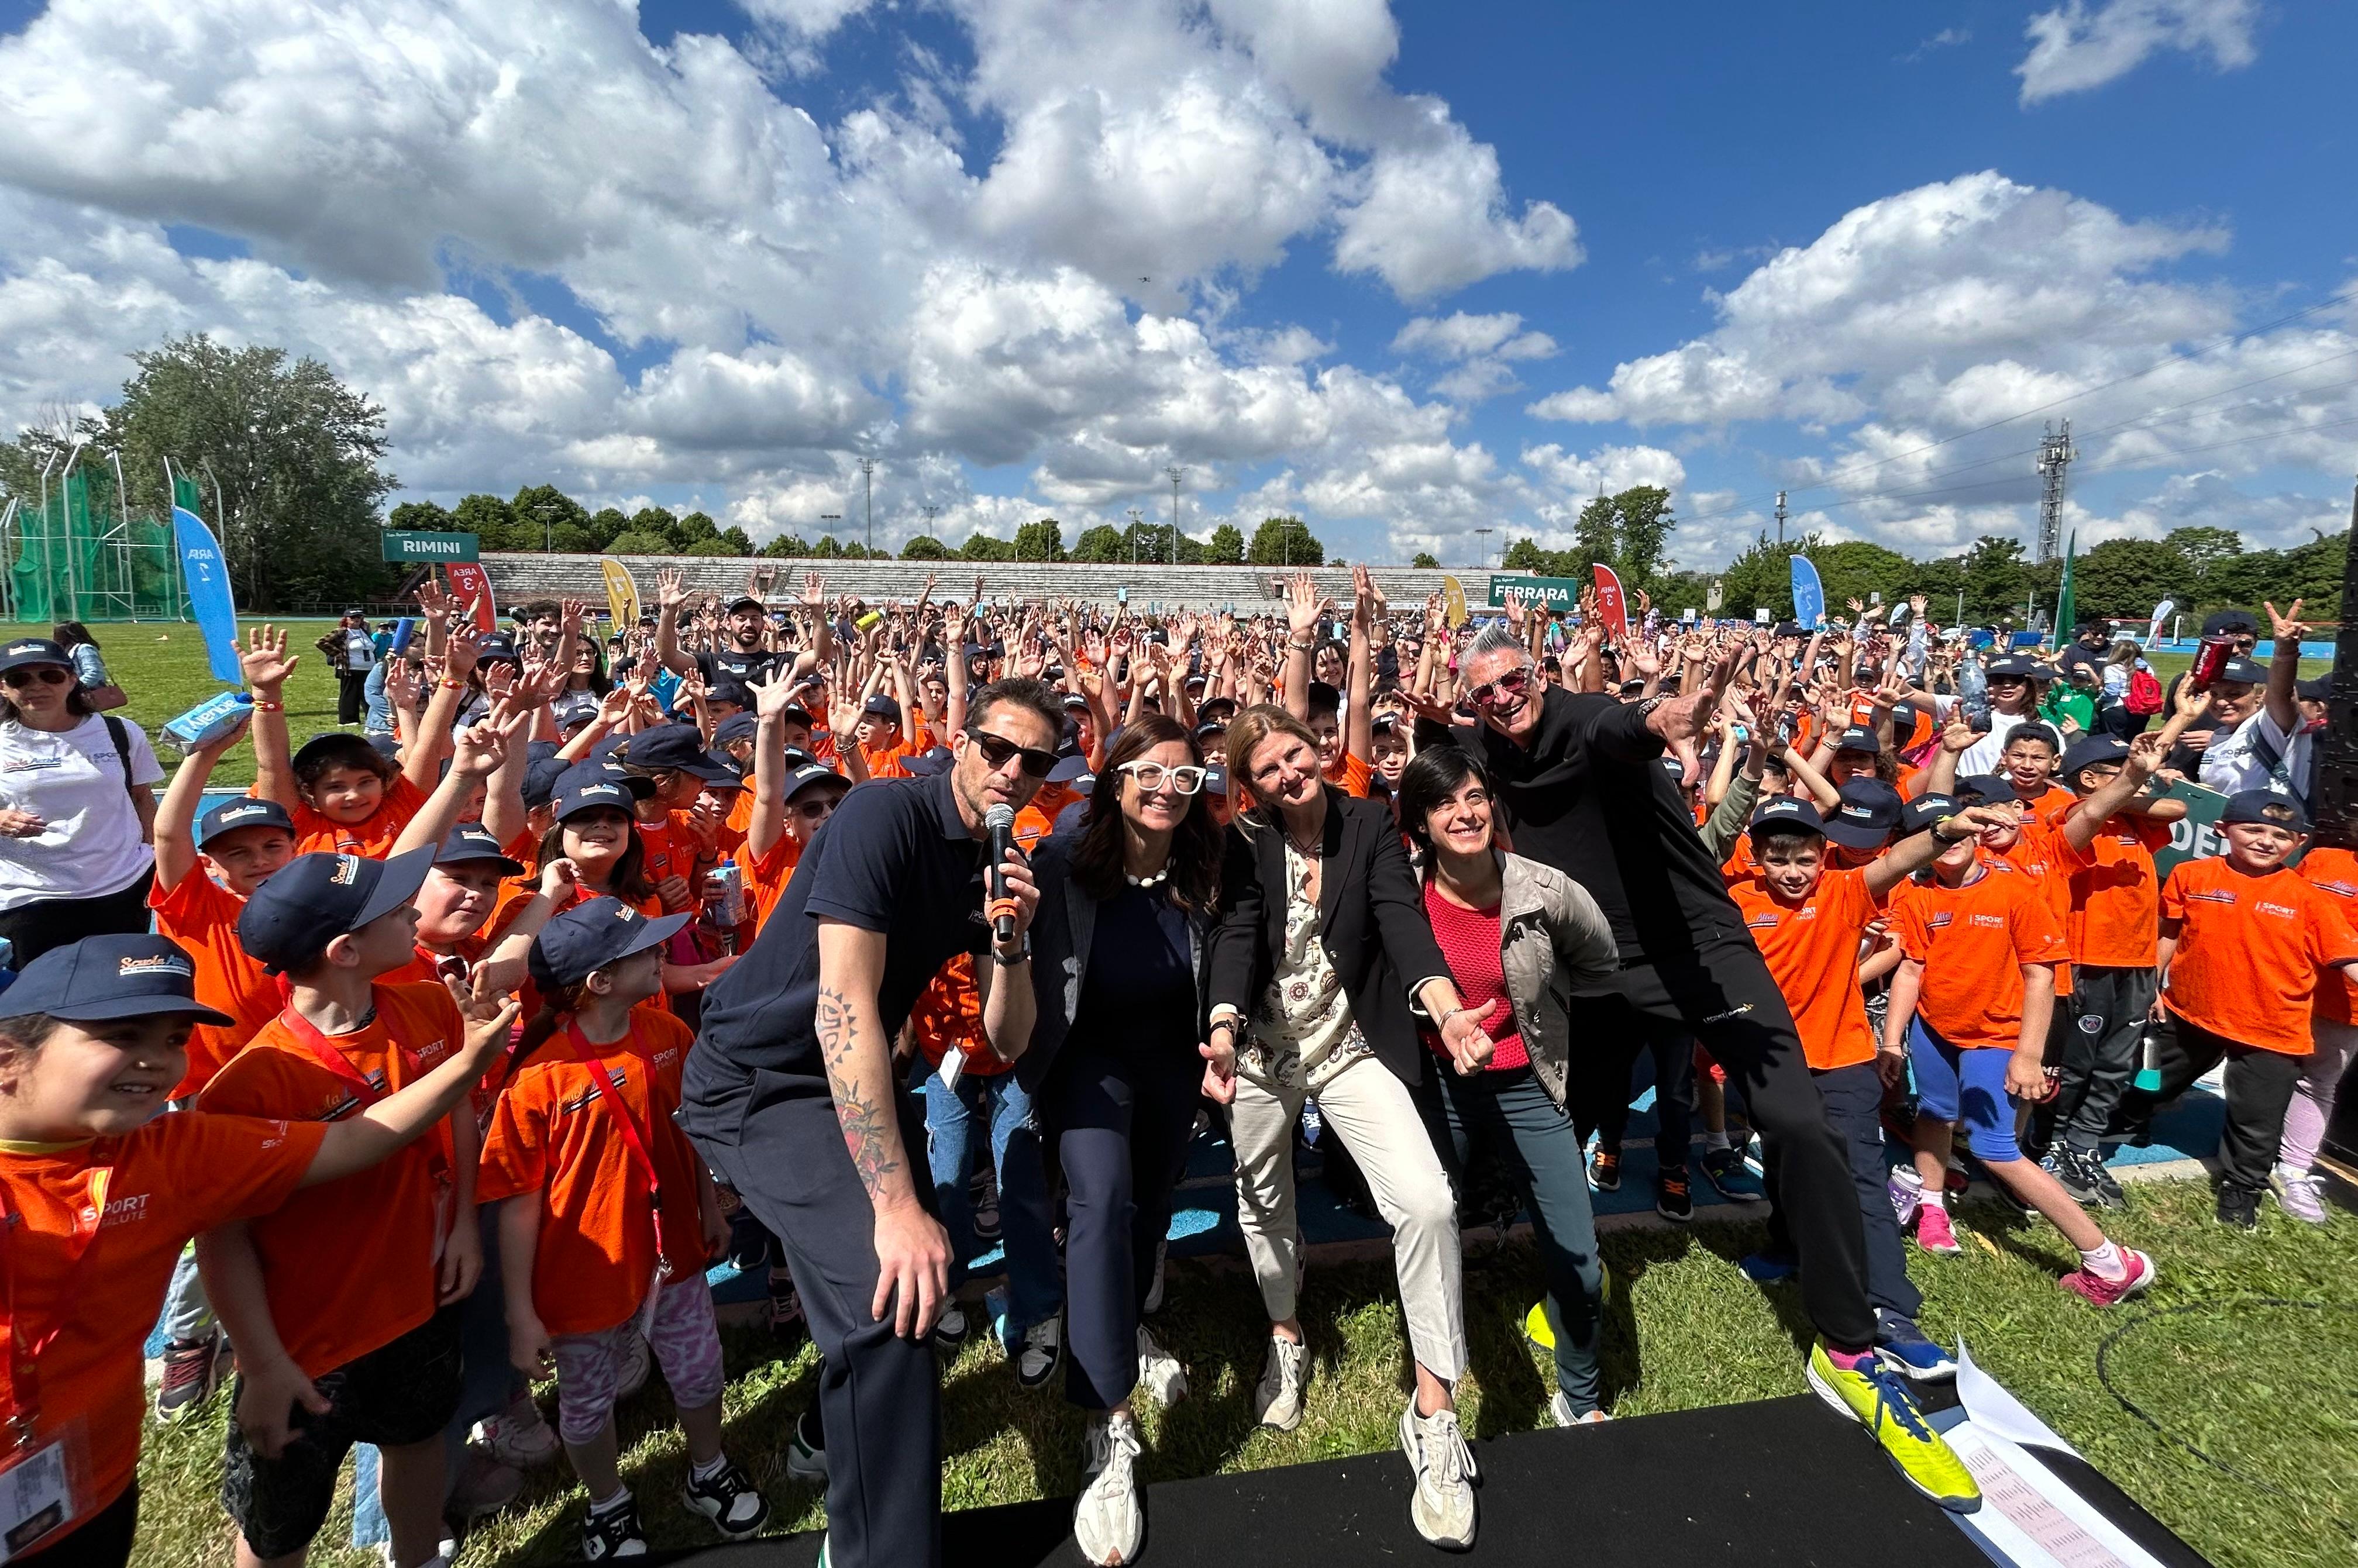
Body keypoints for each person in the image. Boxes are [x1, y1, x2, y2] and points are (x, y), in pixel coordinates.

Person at [1447, 621, 1978, 1513]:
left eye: (1512, 680)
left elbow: (1623, 727)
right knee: (1557, 1130)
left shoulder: (1583, 717)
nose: (1503, 699)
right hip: (1594, 965)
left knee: (1799, 1122)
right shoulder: (1487, 750)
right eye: (1483, 692)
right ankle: (1572, 1283)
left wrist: (1665, 719)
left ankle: (1848, 1348)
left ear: (1537, 673)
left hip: (1697, 950)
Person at [679, 678, 1055, 1568]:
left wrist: (1010, 943)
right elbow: (841, 1008)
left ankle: (826, 1432)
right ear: (960, 742)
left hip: (839, 1076)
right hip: (759, 1079)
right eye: (996, 748)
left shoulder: (995, 859)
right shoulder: (884, 814)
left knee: (893, 1291)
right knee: (895, 1298)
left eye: (1034, 762)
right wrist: (894, 1206)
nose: (1011, 771)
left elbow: (1007, 1038)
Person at [0, 935, 514, 1568]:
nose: (156, 1060)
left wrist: (470, 1060)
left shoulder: (176, 1150)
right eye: (122, 1035)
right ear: (8, 1058)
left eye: (173, 1039)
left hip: (95, 1482)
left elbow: (353, 1141)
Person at [1208, 704, 1490, 1550]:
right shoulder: (1241, 840)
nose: (1288, 774)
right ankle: (1285, 1331)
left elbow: (1400, 920)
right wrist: (1221, 1023)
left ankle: (1433, 1411)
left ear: (1318, 749)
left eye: (1295, 755)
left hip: (1346, 1046)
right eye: (1268, 768)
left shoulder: (1367, 821)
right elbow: (1234, 933)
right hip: (1259, 1053)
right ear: (1248, 783)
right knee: (1263, 1200)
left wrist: (1443, 1006)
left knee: (1427, 1203)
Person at [194, 849, 503, 1568]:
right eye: (395, 910)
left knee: (417, 1439)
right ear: (345, 951)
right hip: (308, 1347)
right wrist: (263, 1363)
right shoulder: (250, 1085)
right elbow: (223, 1239)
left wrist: (463, 1221)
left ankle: (417, 1554)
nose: (414, 912)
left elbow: (456, 1106)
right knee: (279, 1522)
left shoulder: (426, 1004)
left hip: (419, 1299)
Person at [480, 899, 767, 1559]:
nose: (661, 952)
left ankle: (708, 1468)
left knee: (701, 1370)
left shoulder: (668, 1034)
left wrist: (708, 1206)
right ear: (600, 981)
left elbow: (685, 1132)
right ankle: (607, 1504)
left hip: (675, 1257)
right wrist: (521, 1311)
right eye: (644, 949)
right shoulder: (537, 1079)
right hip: (583, 1280)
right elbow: (517, 1205)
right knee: (586, 1402)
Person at [1020, 715, 1225, 1565]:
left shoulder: (1205, 865)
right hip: (1087, 1063)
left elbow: (1229, 955)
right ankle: (1107, 1419)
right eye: (1148, 772)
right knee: (1100, 1204)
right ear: (1114, 779)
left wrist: (1222, 1033)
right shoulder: (1064, 862)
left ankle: (1125, 1329)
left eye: (1184, 777)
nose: (1166, 791)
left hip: (1172, 1061)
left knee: (1147, 1211)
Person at [1734, 793, 2004, 1379]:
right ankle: (1787, 1244)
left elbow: (1898, 859)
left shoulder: (1843, 890)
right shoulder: (1737, 902)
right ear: (1755, 857)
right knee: (1783, 1161)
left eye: (1804, 859)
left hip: (1843, 1060)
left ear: (1823, 854)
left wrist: (1945, 829)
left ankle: (1888, 1308)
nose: (1792, 872)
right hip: (1771, 1066)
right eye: (1777, 858)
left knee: (1859, 1180)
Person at [1394, 747, 1623, 1423]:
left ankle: (1578, 1398)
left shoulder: (1546, 890)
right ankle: (1430, 1379)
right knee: (1423, 1226)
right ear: (1420, 822)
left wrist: (1544, 1014)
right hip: (1437, 1084)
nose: (1463, 813)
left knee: (1580, 1262)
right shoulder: (1402, 893)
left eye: (1473, 796)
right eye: (1442, 803)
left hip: (1527, 1084)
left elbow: (1599, 959)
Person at [1883, 801, 2156, 1305]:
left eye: (1960, 832)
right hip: (1935, 1029)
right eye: (1937, 834)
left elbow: (2041, 976)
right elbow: (1910, 970)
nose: (1950, 842)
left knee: (1994, 1149)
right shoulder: (1916, 894)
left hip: (1996, 1034)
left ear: (1978, 835)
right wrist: (1891, 1040)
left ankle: (2111, 1261)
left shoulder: (2015, 891)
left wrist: (2027, 1054)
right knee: (1935, 1113)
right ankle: (1932, 1205)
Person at [2126, 791, 2358, 1230]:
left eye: (2281, 836)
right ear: (2222, 829)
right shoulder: (2191, 874)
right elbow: (2168, 932)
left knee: (2256, 1120)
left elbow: (2347, 958)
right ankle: (2126, 1121)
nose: (2266, 841)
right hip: (2189, 1013)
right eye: (2253, 829)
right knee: (2151, 1079)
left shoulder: (2310, 899)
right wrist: (2152, 985)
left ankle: (2242, 1187)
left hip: (2270, 1030)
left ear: (2299, 843)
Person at [0, 636, 163, 962]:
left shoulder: (120, 732)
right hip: (33, 893)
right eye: (20, 679)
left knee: (117, 982)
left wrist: (153, 854)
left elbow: (142, 797)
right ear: (3, 688)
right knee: (44, 989)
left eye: (51, 676)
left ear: (72, 679)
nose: (37, 686)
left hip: (123, 885)